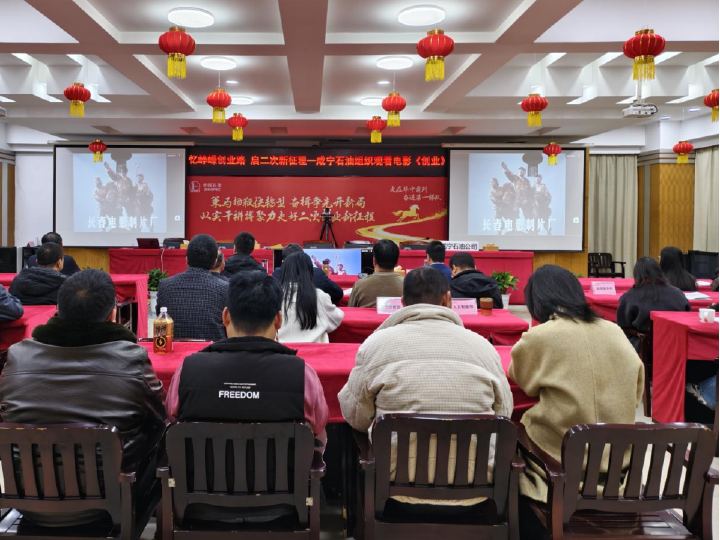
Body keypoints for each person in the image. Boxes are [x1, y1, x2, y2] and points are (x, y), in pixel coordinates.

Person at [0, 270, 166, 527]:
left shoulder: (17, 357)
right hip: (109, 507)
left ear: (57, 309)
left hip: (29, 502)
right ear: (113, 315)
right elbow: (159, 419)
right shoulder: (131, 359)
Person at [339, 267, 513, 509]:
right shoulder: (483, 347)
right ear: (448, 299)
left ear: (402, 302)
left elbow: (355, 416)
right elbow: (504, 413)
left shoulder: (376, 345)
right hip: (476, 482)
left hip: (393, 483)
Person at [165, 271, 328, 522]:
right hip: (282, 505)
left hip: (200, 504)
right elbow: (317, 428)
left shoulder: (187, 370)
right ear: (278, 319)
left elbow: (172, 420)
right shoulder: (302, 374)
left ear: (226, 316)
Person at [509, 265, 644, 504]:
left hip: (559, 461)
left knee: (515, 431)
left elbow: (523, 380)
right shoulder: (614, 330)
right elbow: (636, 393)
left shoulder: (541, 336)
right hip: (617, 464)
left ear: (536, 302)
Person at [156, 234, 229, 341]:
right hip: (213, 350)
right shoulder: (225, 288)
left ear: (186, 260)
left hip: (174, 350)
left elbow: (160, 320)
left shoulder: (165, 285)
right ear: (214, 262)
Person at [617, 257, 690, 347]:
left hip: (644, 348)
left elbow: (622, 325)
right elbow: (687, 316)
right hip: (675, 346)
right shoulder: (678, 293)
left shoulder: (629, 296)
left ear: (637, 274)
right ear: (659, 271)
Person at [278, 253, 344, 343]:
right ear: (310, 270)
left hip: (283, 348)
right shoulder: (319, 295)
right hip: (316, 349)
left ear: (284, 270)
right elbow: (335, 319)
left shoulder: (276, 295)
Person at [273, 244, 343, 305]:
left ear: (283, 261)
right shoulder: (317, 273)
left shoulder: (277, 273)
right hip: (313, 312)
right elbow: (338, 294)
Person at [348, 240, 404, 308]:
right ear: (396, 262)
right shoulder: (406, 285)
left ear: (374, 261)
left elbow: (350, 311)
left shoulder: (359, 286)